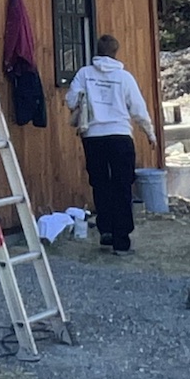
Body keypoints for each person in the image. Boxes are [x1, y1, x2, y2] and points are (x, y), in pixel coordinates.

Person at [65, 35, 158, 253]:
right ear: (116, 52)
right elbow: (138, 109)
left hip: (93, 137)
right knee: (122, 186)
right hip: (120, 136)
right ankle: (121, 241)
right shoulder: (124, 78)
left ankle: (105, 230)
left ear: (96, 51)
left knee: (100, 184)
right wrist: (150, 134)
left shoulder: (84, 74)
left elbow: (70, 101)